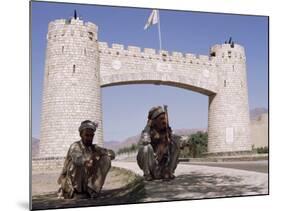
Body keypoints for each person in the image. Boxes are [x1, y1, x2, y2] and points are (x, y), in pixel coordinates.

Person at [57, 120, 115, 199]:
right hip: (72, 183)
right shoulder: (75, 146)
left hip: (87, 181)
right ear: (81, 135)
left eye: (91, 136)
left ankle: (92, 190)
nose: (89, 138)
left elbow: (112, 154)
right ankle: (76, 192)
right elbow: (78, 160)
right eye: (86, 135)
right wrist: (89, 159)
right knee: (77, 164)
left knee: (106, 159)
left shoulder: (94, 147)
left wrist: (101, 154)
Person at [137, 106, 183, 181]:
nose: (164, 121)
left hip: (163, 168)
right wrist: (148, 126)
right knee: (145, 147)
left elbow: (178, 140)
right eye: (161, 119)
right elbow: (145, 141)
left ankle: (170, 172)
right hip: (152, 165)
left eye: (165, 119)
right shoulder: (149, 131)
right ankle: (147, 174)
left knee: (176, 142)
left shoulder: (167, 131)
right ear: (154, 121)